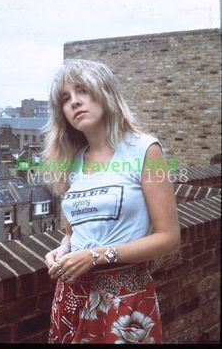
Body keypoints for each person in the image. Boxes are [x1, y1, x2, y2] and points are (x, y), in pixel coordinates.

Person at [43, 59, 180, 344]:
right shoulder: (72, 162)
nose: (75, 102)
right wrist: (62, 249)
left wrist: (95, 256)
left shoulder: (144, 150)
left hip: (125, 302)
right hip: (71, 299)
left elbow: (168, 238)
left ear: (105, 93)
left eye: (83, 91)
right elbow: (73, 232)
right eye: (65, 99)